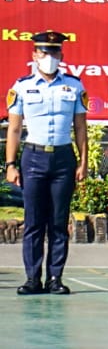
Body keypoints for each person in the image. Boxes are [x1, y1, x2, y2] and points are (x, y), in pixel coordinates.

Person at [7, 31, 89, 295]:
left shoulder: (74, 86)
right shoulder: (22, 86)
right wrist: (11, 163)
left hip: (63, 157)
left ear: (61, 55)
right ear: (35, 55)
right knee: (33, 221)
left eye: (54, 52)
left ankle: (55, 277)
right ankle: (33, 278)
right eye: (44, 52)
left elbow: (80, 127)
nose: (49, 57)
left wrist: (83, 161)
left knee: (58, 221)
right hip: (34, 156)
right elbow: (14, 129)